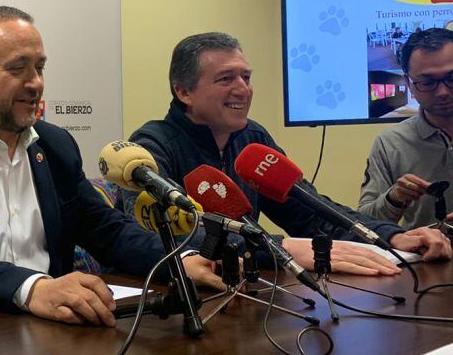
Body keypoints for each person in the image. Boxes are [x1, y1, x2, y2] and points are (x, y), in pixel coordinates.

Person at [0, 6, 221, 327]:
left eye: (39, 67)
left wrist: (179, 259)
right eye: (17, 68)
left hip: (43, 330)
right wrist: (32, 288)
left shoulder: (53, 145)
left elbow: (105, 228)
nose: (36, 83)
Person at [124, 32, 450, 275]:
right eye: (226, 79)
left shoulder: (252, 138)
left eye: (246, 77)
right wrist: (277, 248)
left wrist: (390, 236)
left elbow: (311, 212)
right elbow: (163, 237)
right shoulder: (151, 147)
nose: (243, 89)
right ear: (183, 92)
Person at [359, 27, 453, 230]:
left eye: (451, 78)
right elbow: (364, 224)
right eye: (428, 82)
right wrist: (394, 198)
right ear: (408, 84)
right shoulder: (390, 143)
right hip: (423, 258)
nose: (443, 92)